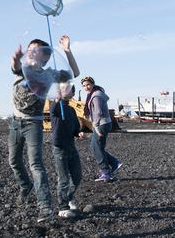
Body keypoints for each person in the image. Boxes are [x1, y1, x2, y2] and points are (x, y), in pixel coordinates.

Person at [9, 35, 80, 223]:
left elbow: (74, 73)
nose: (30, 53)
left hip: (33, 124)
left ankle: (45, 207)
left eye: (35, 51)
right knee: (14, 161)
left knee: (36, 165)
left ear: (45, 57)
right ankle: (26, 186)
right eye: (29, 50)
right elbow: (15, 66)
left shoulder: (48, 75)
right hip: (15, 122)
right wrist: (16, 57)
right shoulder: (24, 70)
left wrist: (66, 50)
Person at [80, 76, 122, 182]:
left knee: (95, 147)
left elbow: (98, 112)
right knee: (98, 147)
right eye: (84, 86)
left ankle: (106, 172)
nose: (86, 87)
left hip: (101, 125)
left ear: (93, 84)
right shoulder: (95, 94)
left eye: (88, 84)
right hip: (104, 123)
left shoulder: (96, 96)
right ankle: (113, 163)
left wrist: (95, 124)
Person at [50, 84, 82, 219]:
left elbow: (75, 128)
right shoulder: (57, 106)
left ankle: (69, 198)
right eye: (64, 89)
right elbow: (53, 109)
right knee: (63, 179)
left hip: (71, 146)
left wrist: (79, 133)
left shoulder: (71, 110)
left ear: (72, 94)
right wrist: (58, 98)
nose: (66, 91)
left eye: (69, 90)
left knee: (77, 177)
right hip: (59, 148)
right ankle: (63, 208)